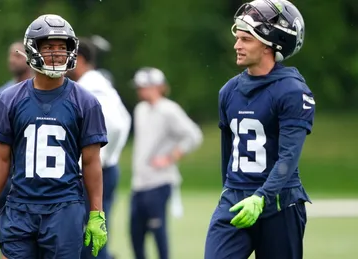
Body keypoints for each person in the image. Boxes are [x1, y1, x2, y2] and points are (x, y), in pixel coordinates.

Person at [0, 14, 109, 258]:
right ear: (32, 50)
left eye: (62, 47)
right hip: (19, 206)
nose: (57, 53)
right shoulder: (9, 99)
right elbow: (1, 158)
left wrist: (96, 213)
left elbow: (91, 162)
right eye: (49, 47)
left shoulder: (86, 102)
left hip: (64, 207)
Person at [204, 1, 315, 258]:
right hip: (234, 200)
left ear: (269, 45)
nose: (236, 45)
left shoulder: (292, 91)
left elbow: (289, 156)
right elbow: (227, 152)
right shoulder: (229, 91)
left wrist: (262, 196)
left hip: (279, 203)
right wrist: (228, 190)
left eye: (246, 39)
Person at [67, 38, 131, 259]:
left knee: (90, 234)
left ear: (81, 59)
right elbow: (125, 119)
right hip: (103, 169)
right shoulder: (97, 82)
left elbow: (116, 124)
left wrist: (99, 158)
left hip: (95, 172)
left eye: (70, 57)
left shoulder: (91, 85)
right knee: (95, 232)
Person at [131, 67, 203, 259]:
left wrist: (171, 157)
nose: (140, 91)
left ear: (158, 87)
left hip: (160, 181)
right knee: (135, 233)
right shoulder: (140, 110)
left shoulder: (169, 109)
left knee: (158, 232)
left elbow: (193, 135)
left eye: (144, 87)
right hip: (140, 182)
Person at [0, 40, 34, 259]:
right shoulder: (3, 93)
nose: (12, 59)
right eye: (10, 55)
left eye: (17, 55)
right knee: (8, 243)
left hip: (31, 180)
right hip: (6, 178)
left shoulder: (42, 91)